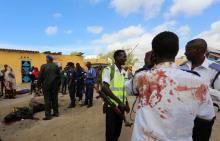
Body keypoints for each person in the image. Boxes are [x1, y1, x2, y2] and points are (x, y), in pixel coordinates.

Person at [128, 31, 214, 141]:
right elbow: (207, 117)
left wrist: (146, 65)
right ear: (176, 51)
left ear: (153, 53)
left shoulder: (142, 77)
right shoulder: (199, 81)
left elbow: (128, 89)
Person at [180, 38, 219, 141]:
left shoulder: (215, 69)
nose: (185, 53)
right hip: (181, 116)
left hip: (202, 119)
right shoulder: (182, 67)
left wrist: (201, 89)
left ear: (200, 50)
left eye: (188, 50)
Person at [101, 50, 129, 141]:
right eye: (123, 56)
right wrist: (119, 102)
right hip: (111, 106)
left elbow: (123, 89)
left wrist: (126, 103)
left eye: (125, 56)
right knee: (110, 132)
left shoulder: (124, 72)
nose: (125, 58)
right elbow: (105, 88)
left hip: (121, 105)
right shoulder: (109, 70)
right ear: (117, 58)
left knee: (118, 130)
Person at [38, 55, 61, 120]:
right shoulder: (56, 66)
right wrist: (58, 85)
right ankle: (56, 113)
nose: (46, 59)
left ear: (48, 59)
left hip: (46, 86)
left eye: (46, 58)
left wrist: (38, 86)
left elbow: (40, 77)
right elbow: (59, 77)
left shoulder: (43, 66)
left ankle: (48, 116)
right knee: (55, 100)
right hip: (55, 86)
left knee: (47, 100)